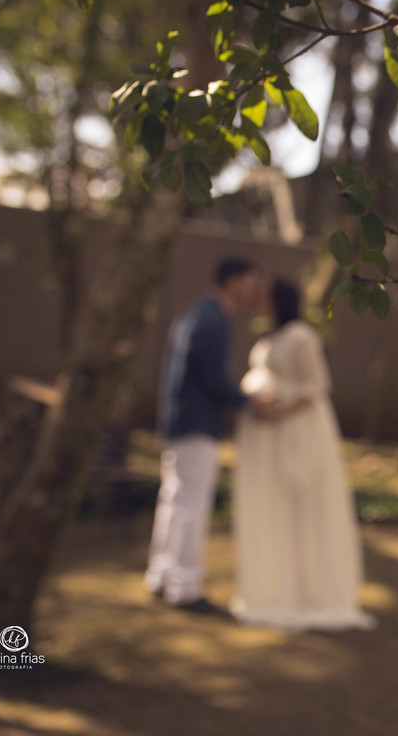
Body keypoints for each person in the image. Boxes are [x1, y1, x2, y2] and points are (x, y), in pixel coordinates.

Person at [229, 278, 375, 631]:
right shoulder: (270, 338)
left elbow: (317, 386)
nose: (258, 300)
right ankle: (273, 587)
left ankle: (306, 591)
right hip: (266, 439)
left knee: (300, 505)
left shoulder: (301, 336)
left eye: (264, 295)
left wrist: (279, 411)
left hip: (294, 434)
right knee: (273, 506)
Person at [145, 257, 268, 612]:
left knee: (174, 500)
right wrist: (249, 402)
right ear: (234, 281)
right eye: (251, 281)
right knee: (190, 505)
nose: (254, 290)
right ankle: (184, 587)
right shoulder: (212, 318)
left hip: (181, 422)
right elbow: (215, 379)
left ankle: (162, 576)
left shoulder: (198, 313)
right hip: (196, 425)